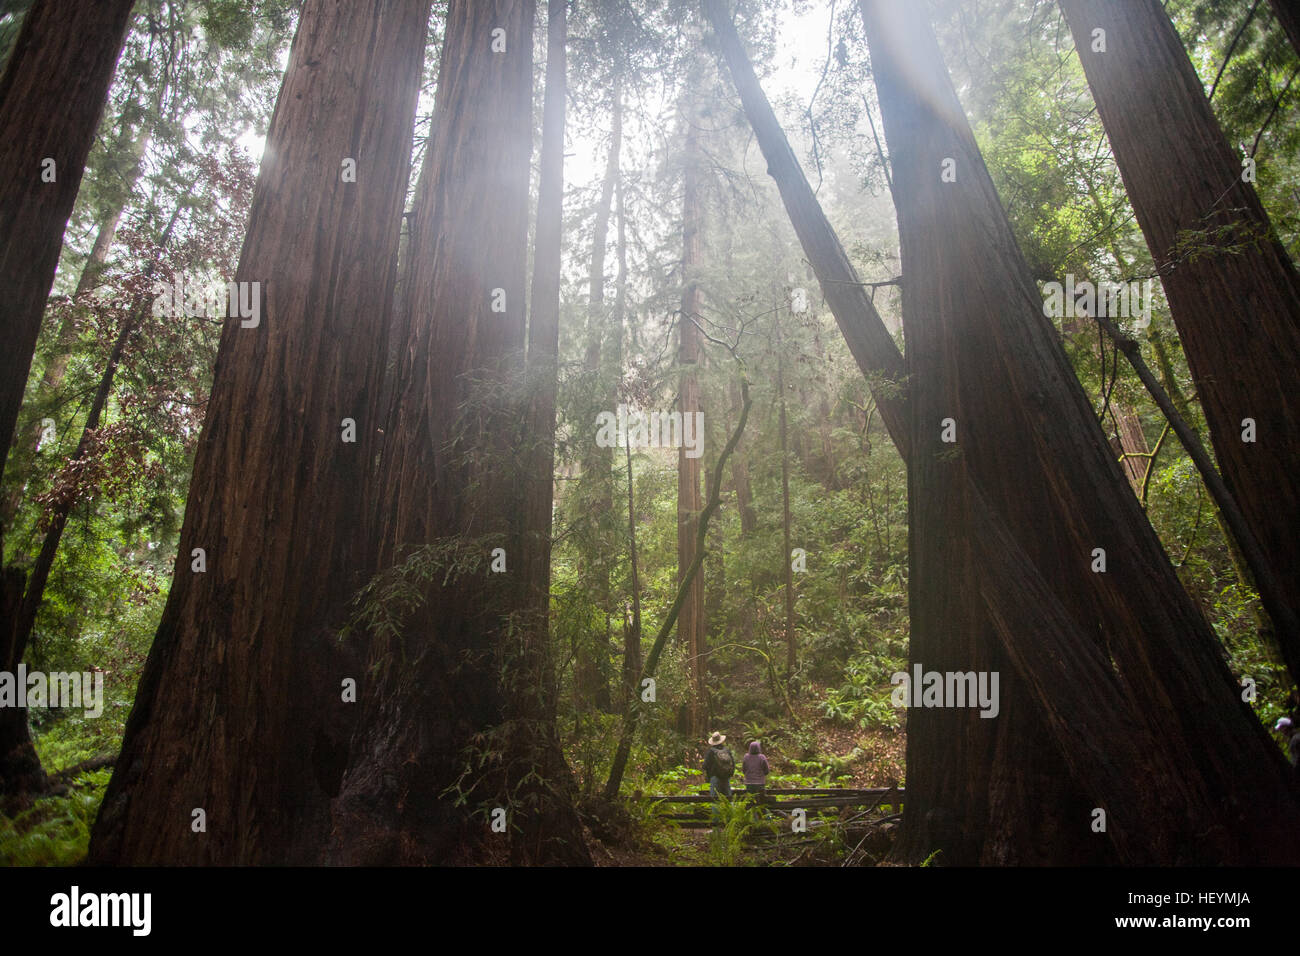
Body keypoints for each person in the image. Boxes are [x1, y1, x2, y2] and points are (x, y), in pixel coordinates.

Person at [703, 731, 735, 804]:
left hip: (715, 777)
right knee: (728, 799)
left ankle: (716, 815)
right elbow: (733, 763)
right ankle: (731, 814)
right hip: (726, 778)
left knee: (715, 800)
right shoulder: (727, 750)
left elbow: (705, 766)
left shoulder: (711, 752)